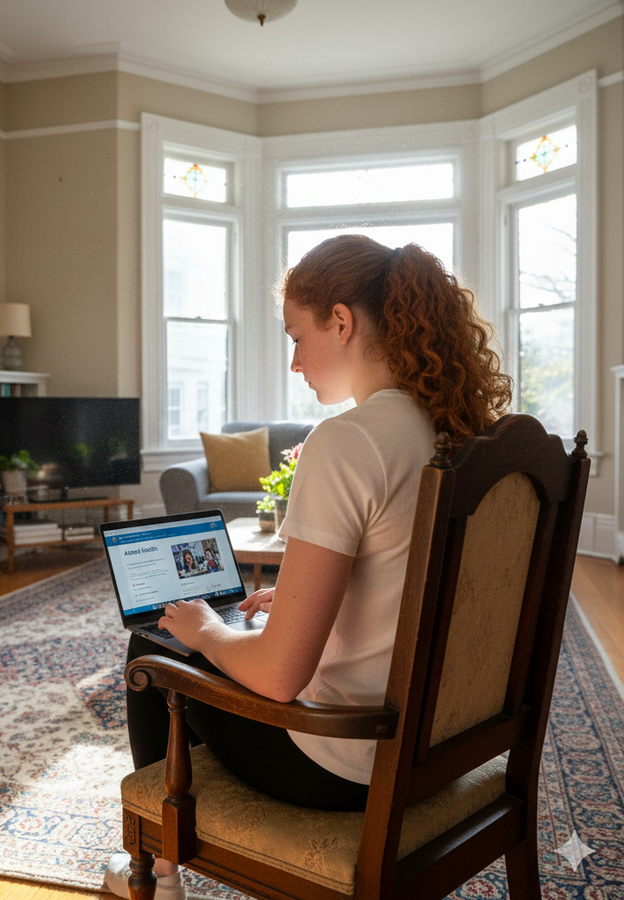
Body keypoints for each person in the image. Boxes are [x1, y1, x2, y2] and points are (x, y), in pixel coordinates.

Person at [103, 234, 512, 900]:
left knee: (155, 646)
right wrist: (307, 600)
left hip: (349, 763)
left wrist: (207, 630)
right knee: (225, 632)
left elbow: (279, 676)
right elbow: (417, 583)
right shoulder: (459, 432)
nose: (294, 363)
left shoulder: (349, 441)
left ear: (341, 322)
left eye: (297, 337)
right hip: (444, 747)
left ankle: (161, 868)